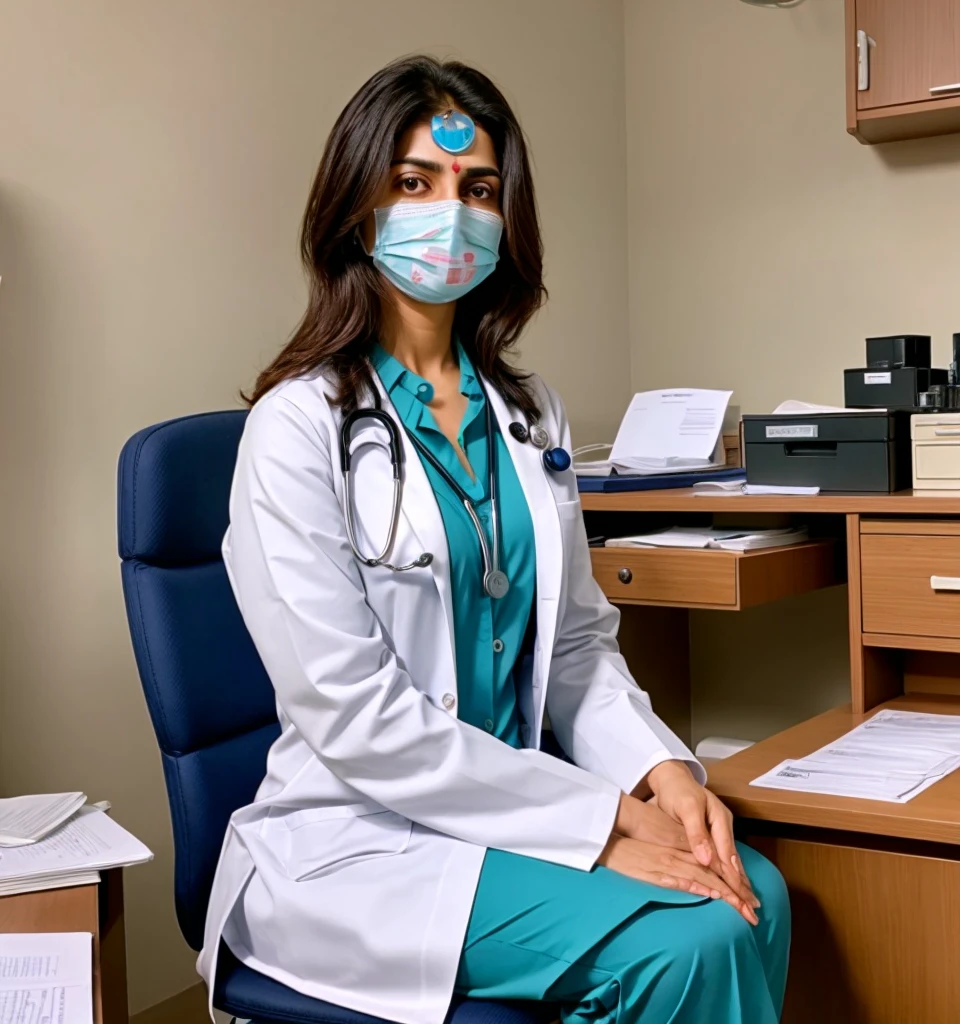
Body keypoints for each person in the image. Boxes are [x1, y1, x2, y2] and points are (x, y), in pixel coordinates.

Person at [199, 55, 790, 1024]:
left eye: (477, 189)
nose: (451, 213)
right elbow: (359, 720)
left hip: (502, 817)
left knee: (748, 888)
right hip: (361, 840)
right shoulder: (295, 429)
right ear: (358, 207)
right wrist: (601, 823)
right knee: (693, 939)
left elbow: (575, 649)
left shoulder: (528, 413)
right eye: (413, 181)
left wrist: (662, 773)